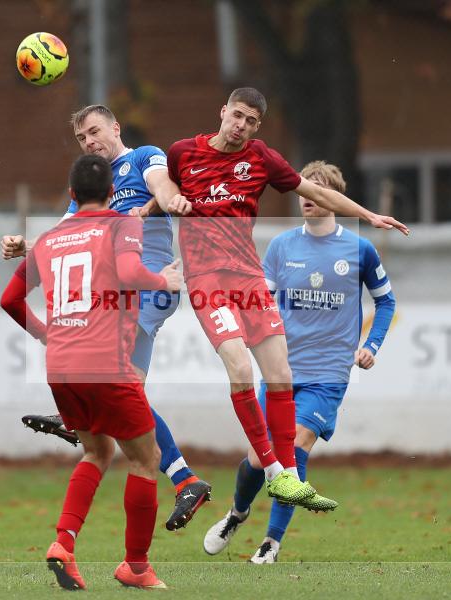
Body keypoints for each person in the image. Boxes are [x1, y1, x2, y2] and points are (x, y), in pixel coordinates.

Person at [160, 87, 409, 509]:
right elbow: (164, 190)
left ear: (258, 126)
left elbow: (316, 192)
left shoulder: (261, 158)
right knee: (239, 367)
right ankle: (276, 471)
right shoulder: (182, 153)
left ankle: (287, 476)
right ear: (222, 112)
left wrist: (367, 215)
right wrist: (155, 207)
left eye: (251, 121)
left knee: (280, 374)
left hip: (249, 278)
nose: (241, 126)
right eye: (237, 116)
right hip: (206, 279)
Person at [1, 105, 211, 531]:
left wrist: (161, 204)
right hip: (116, 295)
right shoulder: (90, 184)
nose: (89, 141)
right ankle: (184, 478)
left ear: (116, 127)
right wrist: (27, 246)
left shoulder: (142, 158)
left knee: (120, 389)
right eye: (81, 138)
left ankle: (85, 423)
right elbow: (64, 234)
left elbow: (163, 186)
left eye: (94, 131)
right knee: (127, 391)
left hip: (149, 286)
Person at [0, 154, 181, 590]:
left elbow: (10, 299)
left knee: (97, 453)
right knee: (146, 459)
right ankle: (135, 566)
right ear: (113, 194)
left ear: (71, 195)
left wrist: (46, 335)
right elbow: (129, 271)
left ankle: (63, 544)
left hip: (61, 367)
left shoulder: (48, 238)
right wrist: (164, 281)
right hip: (107, 365)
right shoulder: (123, 225)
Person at [202, 160, 397, 563]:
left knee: (295, 446)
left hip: (328, 373)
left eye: (318, 190)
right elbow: (262, 302)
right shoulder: (281, 247)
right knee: (261, 458)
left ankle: (271, 543)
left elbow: (386, 300)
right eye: (305, 190)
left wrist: (372, 346)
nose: (308, 197)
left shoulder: (359, 248)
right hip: (282, 369)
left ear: (331, 198)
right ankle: (237, 513)